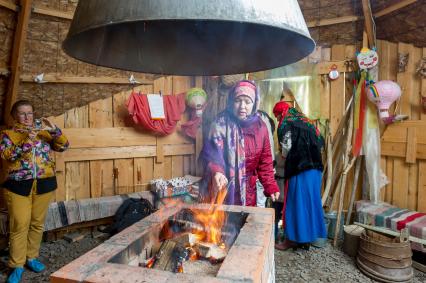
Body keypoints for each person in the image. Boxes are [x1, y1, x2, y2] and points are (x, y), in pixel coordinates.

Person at [0, 100, 69, 283]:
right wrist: (27, 141)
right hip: (17, 186)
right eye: (22, 113)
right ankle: (16, 265)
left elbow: (63, 146)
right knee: (19, 225)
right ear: (15, 116)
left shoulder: (44, 133)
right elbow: (8, 156)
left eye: (30, 113)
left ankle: (31, 257)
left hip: (45, 184)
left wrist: (55, 130)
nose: (27, 117)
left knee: (37, 223)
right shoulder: (7, 135)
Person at [199, 80, 279, 206]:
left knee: (243, 222)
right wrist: (217, 171)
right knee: (221, 223)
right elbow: (211, 153)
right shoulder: (220, 123)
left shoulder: (260, 127)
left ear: (254, 104)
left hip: (248, 192)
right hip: (222, 187)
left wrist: (271, 186)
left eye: (247, 102)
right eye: (238, 101)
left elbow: (265, 162)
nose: (242, 106)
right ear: (232, 102)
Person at [273, 101, 326, 250]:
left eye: (277, 116)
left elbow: (286, 149)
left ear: (281, 113)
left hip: (299, 169)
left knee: (294, 204)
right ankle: (305, 239)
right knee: (310, 204)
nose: (278, 120)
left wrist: (283, 158)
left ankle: (290, 240)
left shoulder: (286, 124)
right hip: (315, 170)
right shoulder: (308, 123)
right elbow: (321, 144)